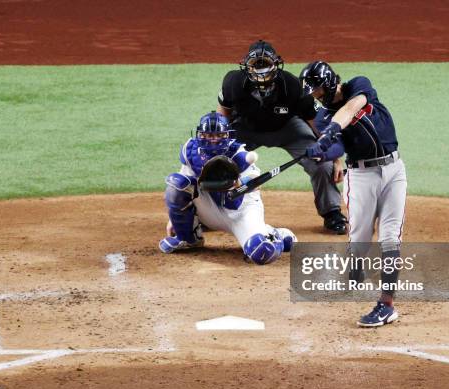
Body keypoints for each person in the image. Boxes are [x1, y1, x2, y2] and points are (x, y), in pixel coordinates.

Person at [300, 61, 407, 327]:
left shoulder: (358, 85)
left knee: (390, 236)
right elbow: (337, 149)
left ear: (327, 83)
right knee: (360, 235)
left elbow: (351, 108)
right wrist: (322, 150)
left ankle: (386, 304)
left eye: (316, 90)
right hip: (361, 176)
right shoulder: (324, 117)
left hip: (394, 169)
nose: (314, 95)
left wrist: (332, 131)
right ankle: (356, 266)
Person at [216, 40, 347, 234]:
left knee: (322, 162)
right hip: (247, 128)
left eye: (265, 63)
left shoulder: (292, 85)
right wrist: (220, 145)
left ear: (275, 64)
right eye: (256, 64)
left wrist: (335, 158)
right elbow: (223, 115)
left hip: (288, 128)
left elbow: (315, 123)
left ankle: (332, 213)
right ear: (247, 66)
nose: (261, 69)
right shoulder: (233, 82)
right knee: (218, 162)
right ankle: (212, 213)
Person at [159, 111, 297, 265]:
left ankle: (274, 234)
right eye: (208, 135)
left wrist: (240, 183)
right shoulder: (191, 150)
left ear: (226, 136)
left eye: (217, 135)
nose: (213, 140)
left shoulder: (239, 154)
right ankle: (187, 238)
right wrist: (174, 219)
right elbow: (186, 184)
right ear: (200, 135)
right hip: (209, 207)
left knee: (261, 251)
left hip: (240, 212)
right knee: (177, 184)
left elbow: (255, 183)